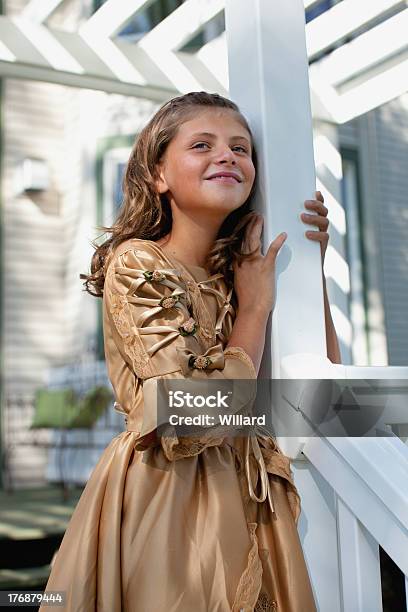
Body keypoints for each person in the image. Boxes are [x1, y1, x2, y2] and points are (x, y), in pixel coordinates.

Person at [41, 91, 340, 611]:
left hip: (256, 502)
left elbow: (320, 383)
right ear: (158, 176)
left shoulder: (243, 275)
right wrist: (252, 313)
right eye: (202, 144)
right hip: (169, 499)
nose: (227, 156)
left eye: (241, 148)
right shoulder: (138, 264)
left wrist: (308, 264)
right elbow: (189, 416)